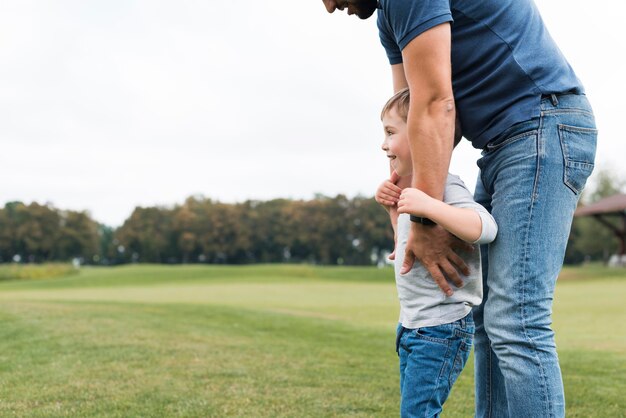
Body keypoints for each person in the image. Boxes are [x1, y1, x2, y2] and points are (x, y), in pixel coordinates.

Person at [321, 1, 597, 417]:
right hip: (507, 140)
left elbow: (435, 105)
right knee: (488, 319)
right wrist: (405, 194)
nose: (328, 6)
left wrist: (427, 215)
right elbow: (412, 111)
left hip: (543, 125)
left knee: (517, 319)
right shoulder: (388, 16)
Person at [377, 88, 497, 417]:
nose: (384, 145)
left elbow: (485, 227)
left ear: (422, 133)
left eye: (390, 133)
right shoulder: (412, 190)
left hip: (440, 328)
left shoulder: (445, 185)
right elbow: (408, 248)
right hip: (412, 325)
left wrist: (429, 205)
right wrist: (393, 208)